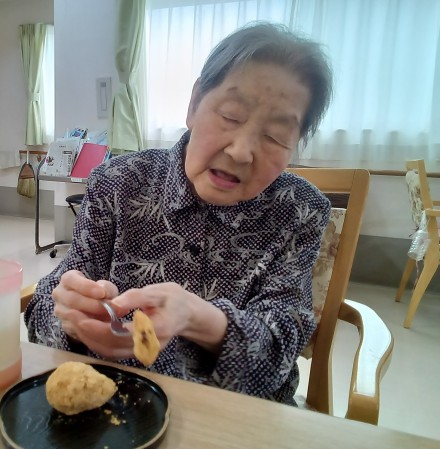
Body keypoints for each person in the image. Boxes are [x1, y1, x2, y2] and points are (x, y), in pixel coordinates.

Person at [25, 22, 333, 405]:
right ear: (195, 102)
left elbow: (279, 351)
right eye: (231, 115)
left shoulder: (299, 210)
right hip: (124, 405)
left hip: (236, 415)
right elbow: (45, 306)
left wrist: (200, 318)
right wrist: (72, 319)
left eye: (274, 137)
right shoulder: (118, 182)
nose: (240, 151)